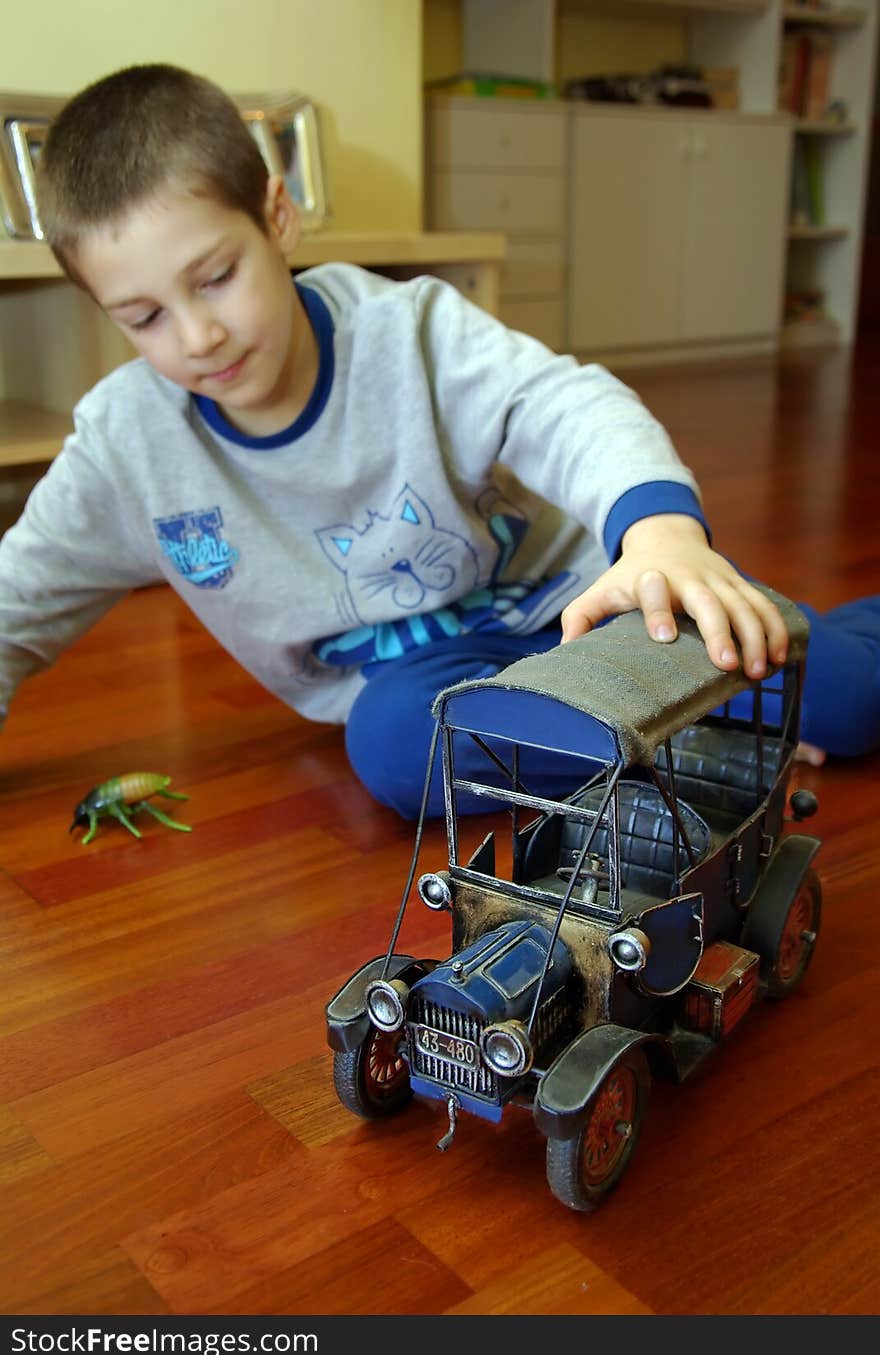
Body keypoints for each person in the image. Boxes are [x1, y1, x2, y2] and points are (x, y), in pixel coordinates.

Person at [0, 63, 876, 820]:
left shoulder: (409, 332)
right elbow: (19, 600)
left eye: (218, 278)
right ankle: (686, 732)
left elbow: (563, 406)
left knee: (848, 700)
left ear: (278, 216)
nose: (197, 338)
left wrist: (661, 534)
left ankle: (692, 715)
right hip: (435, 685)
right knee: (396, 751)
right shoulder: (127, 446)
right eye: (144, 317)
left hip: (587, 609)